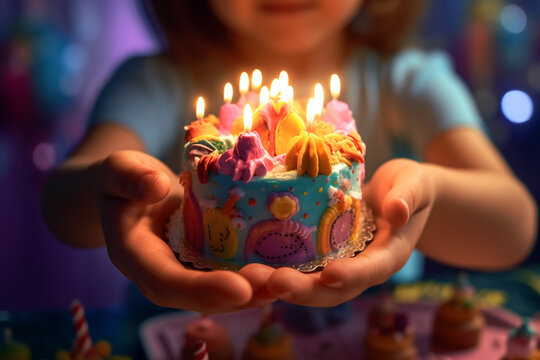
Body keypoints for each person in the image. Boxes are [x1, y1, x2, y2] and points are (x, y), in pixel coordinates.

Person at [42, 0, 537, 313]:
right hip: (187, 335)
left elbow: (513, 227)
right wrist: (113, 187)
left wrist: (426, 192)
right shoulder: (153, 80)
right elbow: (65, 202)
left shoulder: (411, 81)